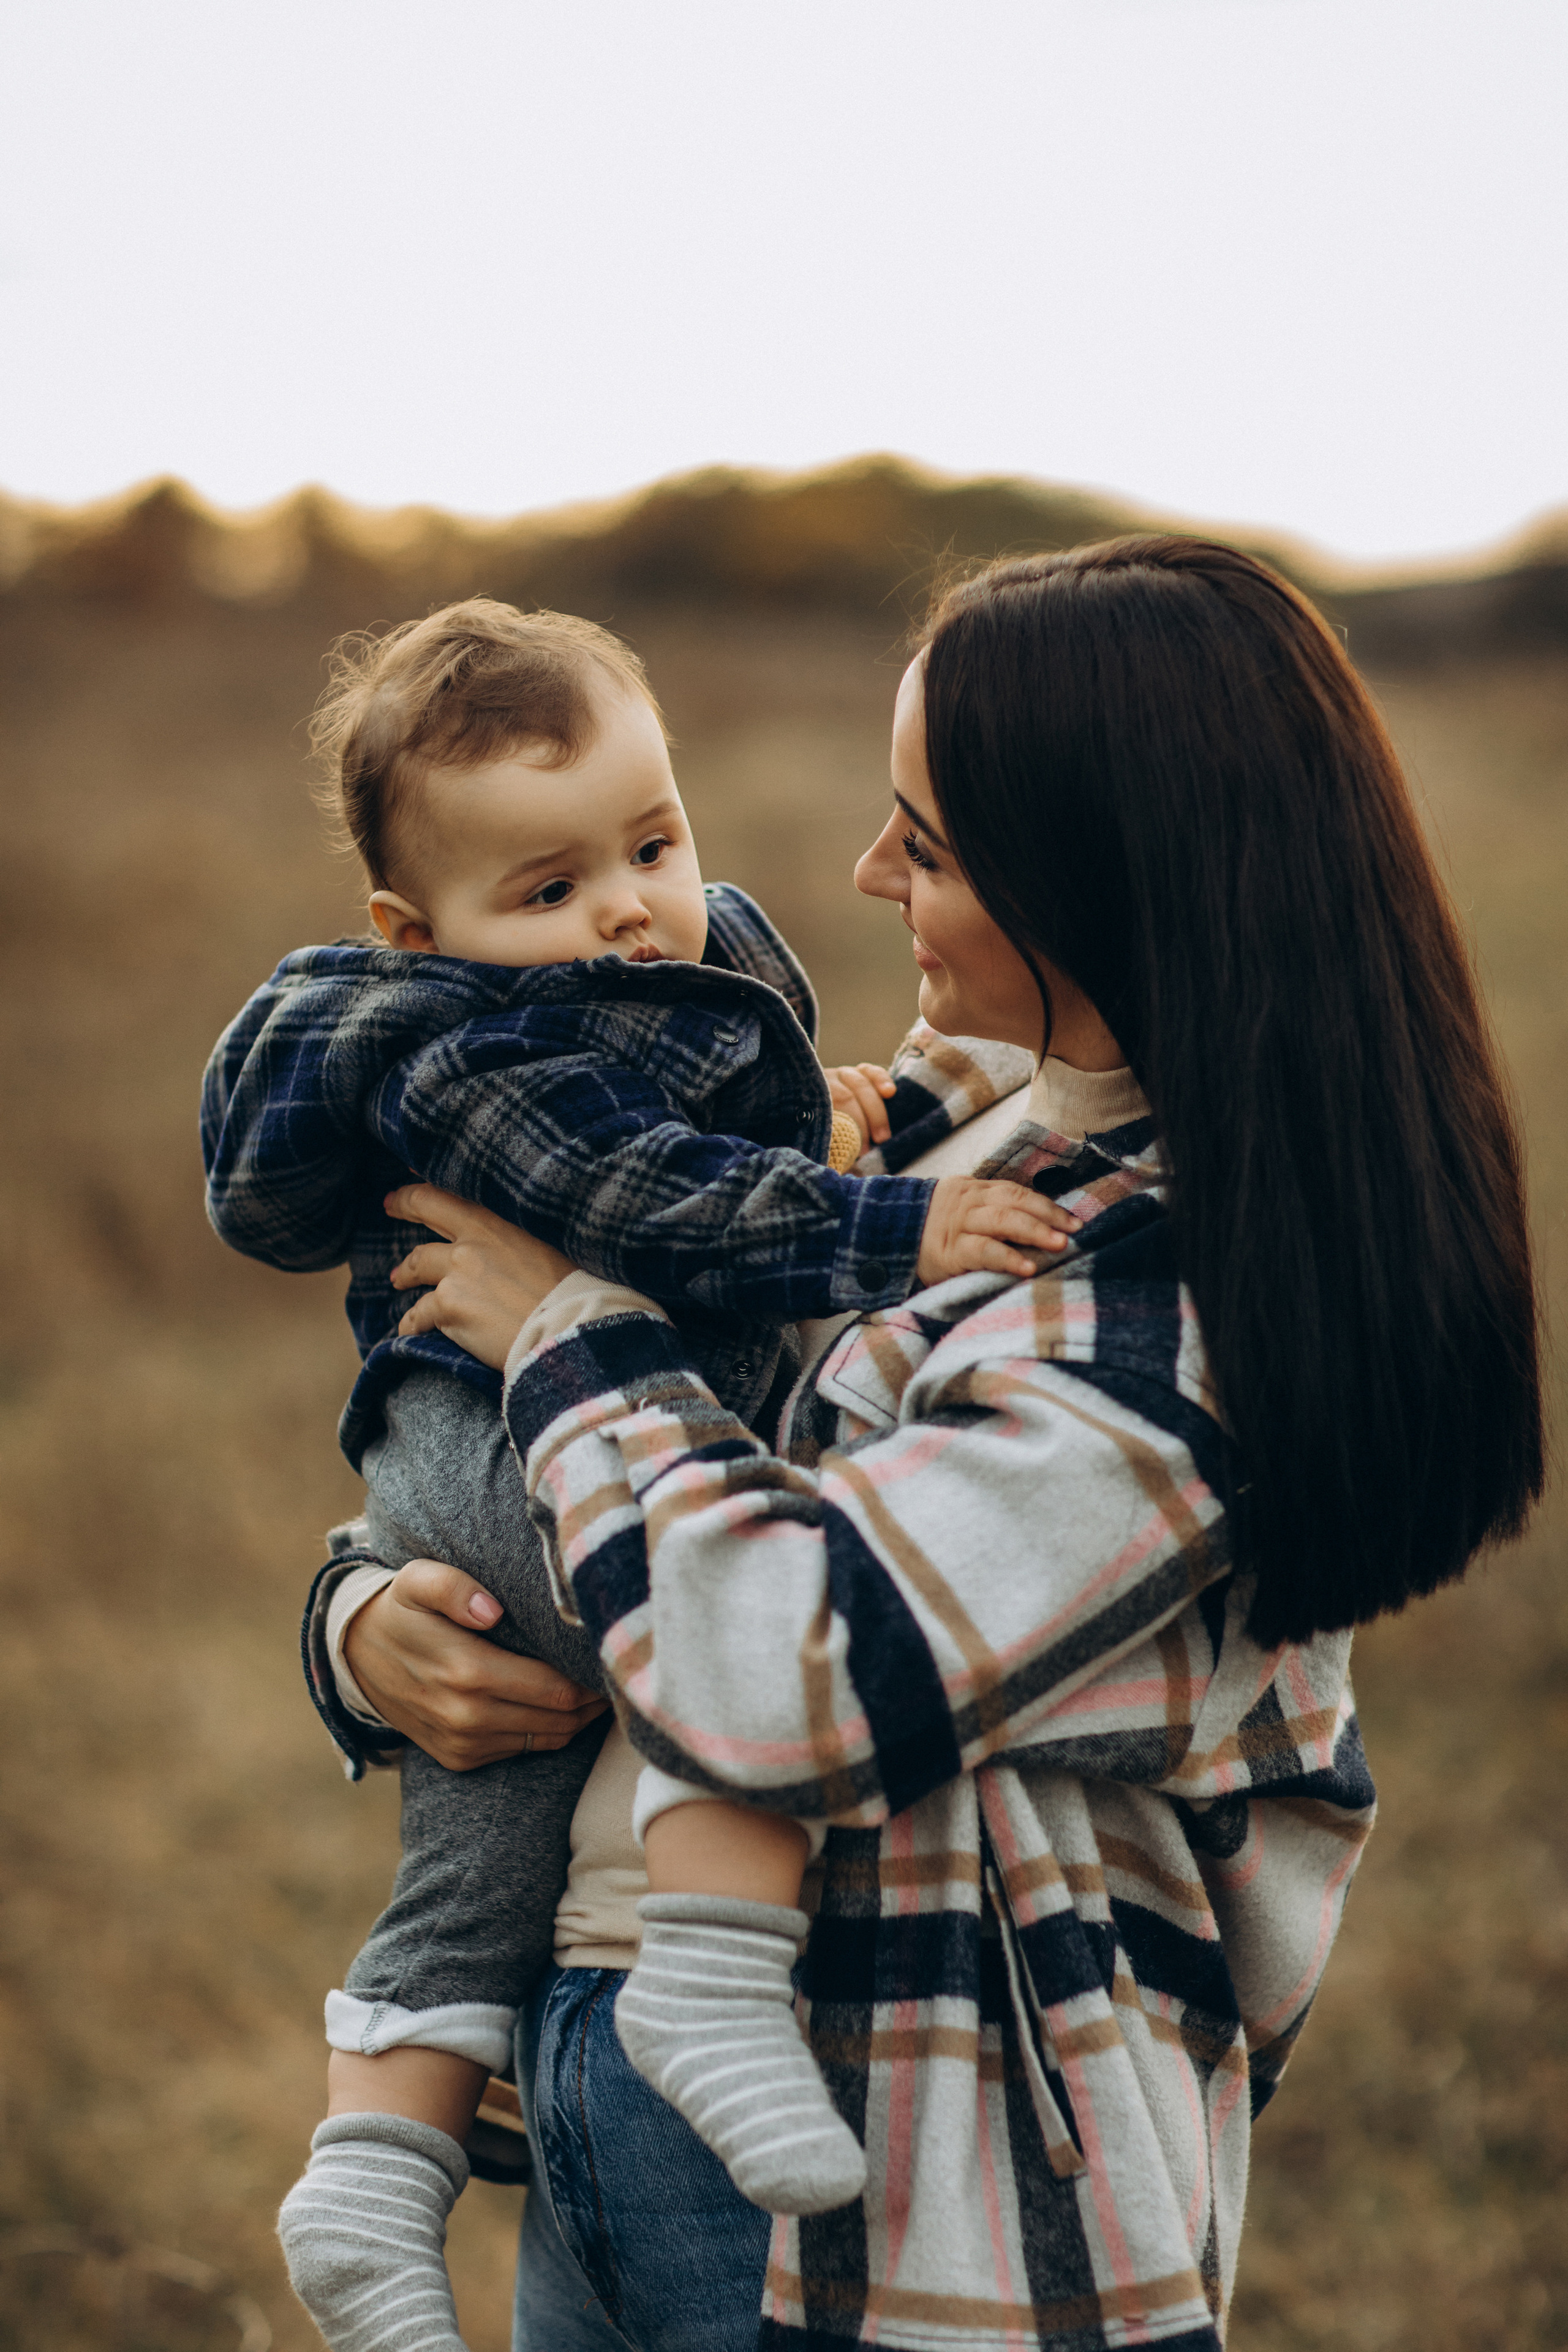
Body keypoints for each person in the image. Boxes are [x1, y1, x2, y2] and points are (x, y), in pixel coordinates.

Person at [334, 536, 1543, 2352]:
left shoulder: (1175, 1316)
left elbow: (780, 1667)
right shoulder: (929, 1141)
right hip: (590, 2061)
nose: (863, 871)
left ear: (1109, 884)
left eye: (936, 840)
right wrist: (366, 1630)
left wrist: (571, 1332)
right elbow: (610, 1482)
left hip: (886, 2167)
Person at [201, 598, 1079, 2351]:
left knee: (476, 1842)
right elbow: (661, 1204)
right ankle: (710, 1974)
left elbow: (742, 1152)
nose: (623, 909)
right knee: (690, 1639)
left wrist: (356, 1622)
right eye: (546, 889)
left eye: (654, 846)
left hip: (485, 1492)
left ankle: (373, 2181)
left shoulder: (683, 984)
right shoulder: (483, 1050)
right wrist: (882, 1222)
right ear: (413, 928)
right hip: (508, 1465)